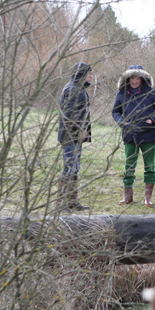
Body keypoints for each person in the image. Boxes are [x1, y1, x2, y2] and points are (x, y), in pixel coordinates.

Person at [112, 65, 155, 207]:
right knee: (129, 166)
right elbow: (115, 112)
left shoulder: (151, 92)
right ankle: (127, 196)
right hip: (130, 134)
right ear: (127, 79)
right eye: (132, 78)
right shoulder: (121, 93)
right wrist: (122, 122)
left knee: (149, 166)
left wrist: (152, 119)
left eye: (137, 78)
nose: (134, 81)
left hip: (149, 134)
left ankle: (148, 198)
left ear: (142, 79)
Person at [57, 62, 93, 211]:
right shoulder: (73, 89)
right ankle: (61, 203)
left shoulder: (77, 88)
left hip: (73, 136)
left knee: (74, 168)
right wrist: (79, 130)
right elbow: (69, 115)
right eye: (89, 74)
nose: (91, 77)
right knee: (69, 168)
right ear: (82, 75)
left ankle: (72, 201)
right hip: (70, 136)